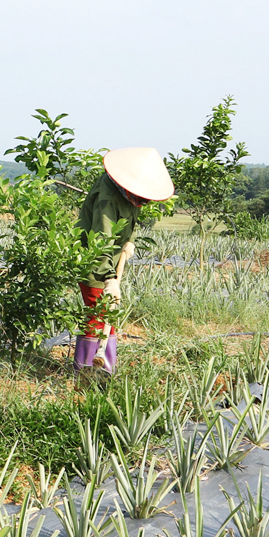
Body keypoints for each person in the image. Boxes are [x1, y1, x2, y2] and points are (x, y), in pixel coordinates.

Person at [74, 147, 175, 373]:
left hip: (112, 259)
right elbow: (101, 240)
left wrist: (129, 241)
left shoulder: (130, 193)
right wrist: (109, 279)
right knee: (98, 315)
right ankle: (86, 374)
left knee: (108, 315)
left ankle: (104, 369)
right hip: (95, 264)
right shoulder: (108, 197)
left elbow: (128, 222)